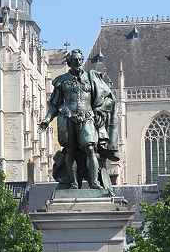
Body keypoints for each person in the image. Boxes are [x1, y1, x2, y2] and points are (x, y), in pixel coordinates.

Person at [39, 48, 119, 191]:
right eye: (75, 60)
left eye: (80, 60)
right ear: (69, 62)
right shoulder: (62, 81)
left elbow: (109, 98)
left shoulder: (91, 78)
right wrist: (46, 120)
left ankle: (94, 182)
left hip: (87, 117)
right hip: (67, 118)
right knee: (70, 151)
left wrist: (100, 110)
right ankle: (73, 183)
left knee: (90, 148)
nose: (78, 62)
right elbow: (54, 105)